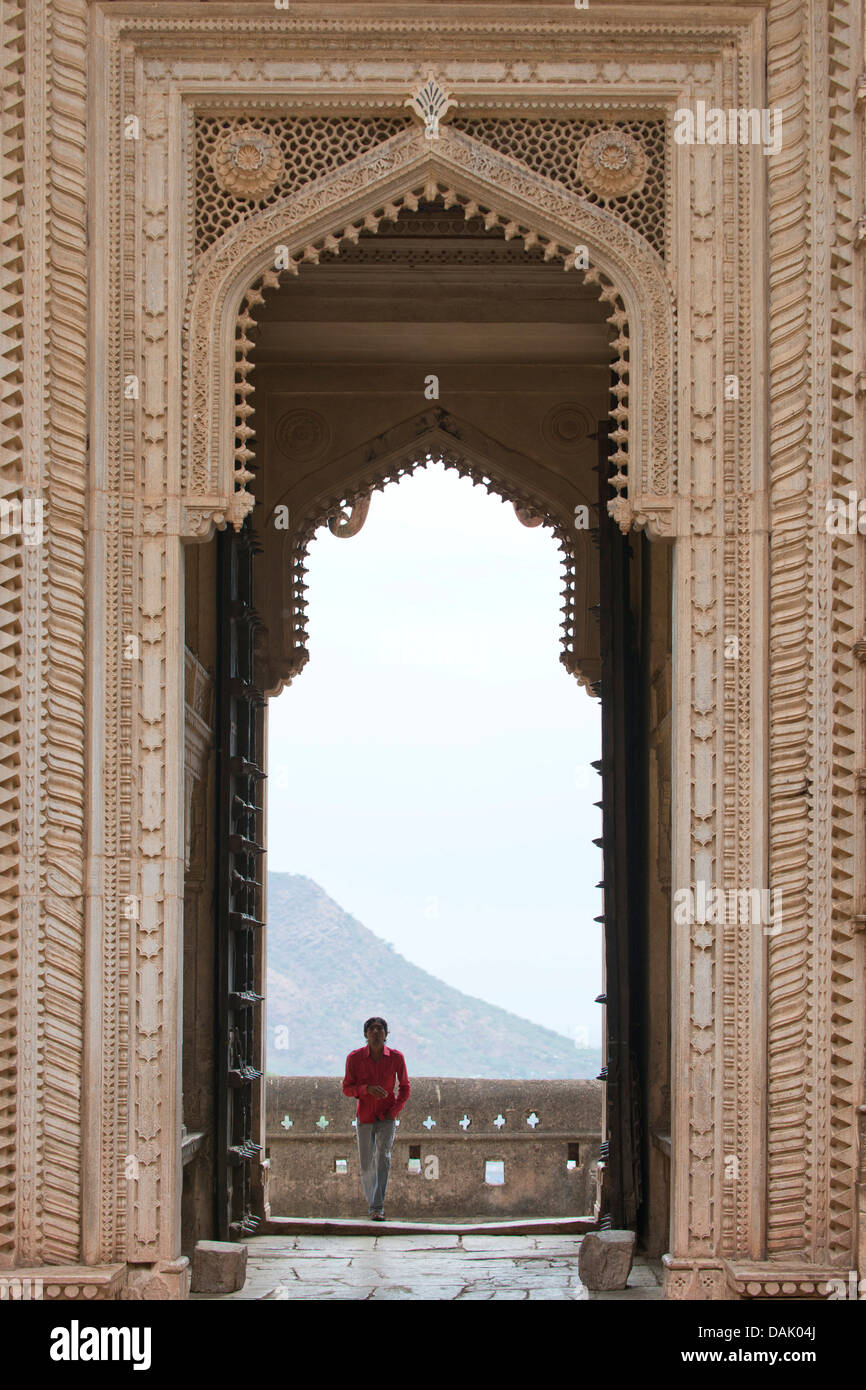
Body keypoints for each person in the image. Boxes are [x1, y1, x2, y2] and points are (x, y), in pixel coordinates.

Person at [342, 1017, 411, 1222]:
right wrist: (366, 1090)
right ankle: (374, 1204)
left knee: (383, 1158)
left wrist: (395, 1110)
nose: (375, 1032)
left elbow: (405, 1087)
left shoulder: (396, 1058)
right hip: (364, 1116)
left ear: (386, 1034)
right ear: (365, 1034)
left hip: (387, 1116)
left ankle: (376, 1207)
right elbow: (347, 1088)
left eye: (380, 1029)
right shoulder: (354, 1058)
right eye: (371, 1029)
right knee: (366, 1163)